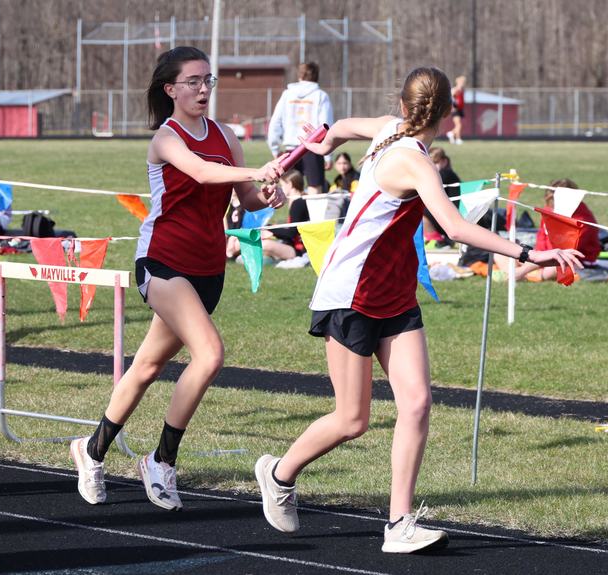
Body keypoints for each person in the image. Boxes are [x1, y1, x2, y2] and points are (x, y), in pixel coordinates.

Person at [253, 67, 582, 553]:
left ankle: (399, 523)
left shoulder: (390, 128)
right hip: (351, 293)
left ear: (405, 108)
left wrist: (322, 144)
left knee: (417, 403)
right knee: (352, 419)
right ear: (448, 114)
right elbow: (453, 227)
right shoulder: (413, 160)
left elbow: (343, 125)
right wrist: (531, 254)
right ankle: (279, 473)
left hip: (395, 294)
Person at [68, 46, 286, 509]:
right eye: (194, 81)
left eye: (209, 80)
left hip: (208, 270)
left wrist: (270, 194)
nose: (204, 89)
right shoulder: (165, 139)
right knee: (209, 355)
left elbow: (244, 198)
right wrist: (256, 168)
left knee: (146, 368)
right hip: (162, 262)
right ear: (171, 89)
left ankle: (90, 451)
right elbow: (204, 173)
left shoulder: (226, 135)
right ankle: (161, 461)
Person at [492, 178, 603, 282]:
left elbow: (566, 251)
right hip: (543, 256)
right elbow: (541, 236)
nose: (552, 205)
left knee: (555, 269)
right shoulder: (549, 210)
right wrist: (535, 256)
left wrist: (527, 267)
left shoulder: (582, 220)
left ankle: (518, 274)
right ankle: (519, 273)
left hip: (571, 260)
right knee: (500, 252)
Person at [267, 62, 334, 195]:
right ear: (316, 76)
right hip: (312, 148)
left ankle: (294, 216)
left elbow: (275, 122)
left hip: (291, 150)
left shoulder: (287, 94)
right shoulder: (321, 95)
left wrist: (274, 148)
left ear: (300, 76)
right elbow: (326, 126)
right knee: (314, 189)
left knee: (292, 190)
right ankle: (314, 216)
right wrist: (328, 156)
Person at [422, 146, 461, 246]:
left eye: (435, 163)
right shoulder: (443, 174)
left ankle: (437, 241)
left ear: (444, 162)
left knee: (421, 212)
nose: (432, 166)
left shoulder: (446, 174)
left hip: (454, 215)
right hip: (449, 213)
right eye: (430, 163)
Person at [447, 75, 465, 145]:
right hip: (455, 109)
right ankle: (457, 138)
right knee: (459, 125)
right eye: (461, 82)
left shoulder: (462, 90)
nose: (462, 84)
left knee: (458, 125)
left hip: (460, 109)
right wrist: (452, 107)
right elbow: (451, 97)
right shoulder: (455, 90)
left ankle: (452, 134)